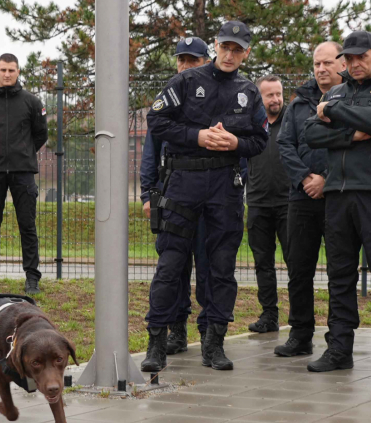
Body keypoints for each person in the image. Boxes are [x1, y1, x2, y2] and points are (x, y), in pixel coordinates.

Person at [142, 20, 268, 372]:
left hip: (225, 187)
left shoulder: (249, 91)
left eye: (237, 49)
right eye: (225, 47)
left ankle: (214, 344)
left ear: (246, 53)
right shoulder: (184, 81)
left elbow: (260, 140)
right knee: (170, 265)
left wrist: (235, 143)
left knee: (221, 268)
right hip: (183, 181)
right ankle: (157, 343)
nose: (230, 54)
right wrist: (198, 137)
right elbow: (157, 121)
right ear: (215, 45)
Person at [304, 31, 371, 378]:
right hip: (336, 194)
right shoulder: (338, 90)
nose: (354, 64)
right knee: (339, 277)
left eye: (361, 57)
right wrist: (354, 132)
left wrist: (335, 113)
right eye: (348, 59)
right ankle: (339, 349)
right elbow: (310, 134)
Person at [140, 36, 211, 355]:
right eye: (181, 60)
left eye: (192, 60)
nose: (184, 66)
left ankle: (210, 332)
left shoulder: (217, 97)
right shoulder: (165, 102)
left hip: (212, 200)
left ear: (205, 62)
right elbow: (150, 152)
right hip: (173, 198)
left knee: (211, 267)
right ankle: (177, 331)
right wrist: (147, 194)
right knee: (174, 268)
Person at [275, 41, 345, 357]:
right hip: (301, 199)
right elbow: (285, 145)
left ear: (342, 64)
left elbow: (352, 145)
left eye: (327, 63)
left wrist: (327, 180)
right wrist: (305, 179)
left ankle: (338, 339)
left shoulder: (352, 100)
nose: (320, 69)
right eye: (316, 64)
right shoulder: (298, 105)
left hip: (338, 198)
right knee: (299, 269)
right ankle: (300, 335)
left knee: (339, 272)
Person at [0, 53, 48, 295]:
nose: (7, 74)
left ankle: (32, 278)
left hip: (23, 173)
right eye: (3, 70)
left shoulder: (32, 103)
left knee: (28, 225)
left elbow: (40, 134)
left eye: (11, 70)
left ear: (18, 72)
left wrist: (23, 153)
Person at [246, 75, 290, 334]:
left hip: (288, 203)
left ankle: (299, 316)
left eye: (278, 94)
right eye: (269, 95)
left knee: (295, 261)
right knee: (263, 262)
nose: (275, 99)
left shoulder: (293, 121)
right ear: (260, 98)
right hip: (258, 203)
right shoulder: (252, 125)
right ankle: (269, 315)